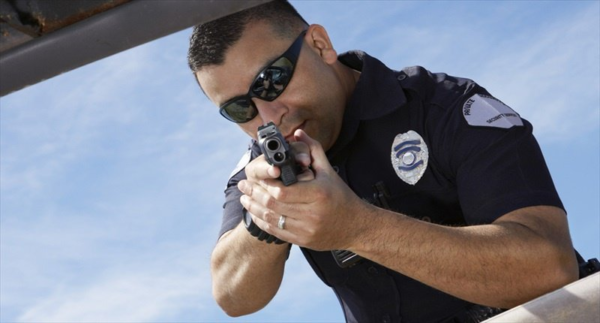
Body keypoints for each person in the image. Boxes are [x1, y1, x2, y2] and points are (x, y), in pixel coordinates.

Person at [187, 1, 580, 322]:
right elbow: (232, 296)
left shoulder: (446, 107)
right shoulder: (259, 168)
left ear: (321, 44)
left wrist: (357, 228)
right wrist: (267, 218)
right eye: (240, 109)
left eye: (271, 81)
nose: (269, 117)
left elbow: (549, 267)